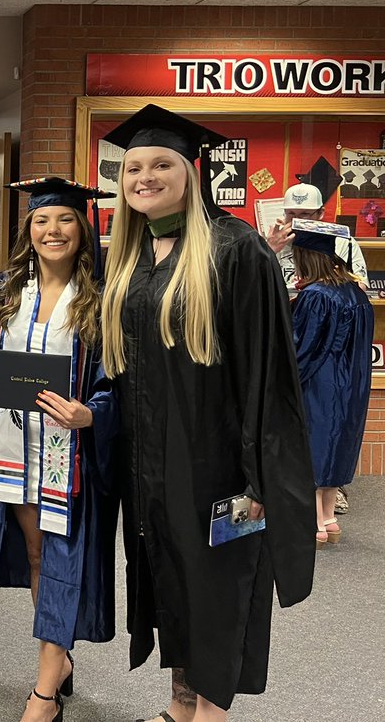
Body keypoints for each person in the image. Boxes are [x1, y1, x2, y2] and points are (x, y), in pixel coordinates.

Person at [99, 104, 314, 722]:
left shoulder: (236, 248)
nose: (145, 176)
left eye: (161, 164)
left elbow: (268, 370)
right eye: (134, 167)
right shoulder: (132, 255)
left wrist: (262, 474)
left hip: (219, 462)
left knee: (218, 583)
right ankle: (178, 706)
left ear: (190, 171)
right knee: (170, 577)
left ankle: (211, 716)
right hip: (152, 463)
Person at [0, 178, 119, 722]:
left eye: (63, 220)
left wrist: (92, 414)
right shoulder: (7, 291)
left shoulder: (102, 301)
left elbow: (116, 383)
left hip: (69, 455)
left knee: (60, 558)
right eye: (41, 220)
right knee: (37, 555)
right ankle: (60, 658)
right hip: (12, 445)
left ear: (83, 229)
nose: (51, 230)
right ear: (28, 229)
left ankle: (43, 691)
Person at [288, 220, 372, 548]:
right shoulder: (355, 292)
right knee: (338, 443)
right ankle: (328, 518)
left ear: (305, 258)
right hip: (353, 382)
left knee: (314, 442)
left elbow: (301, 347)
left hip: (320, 383)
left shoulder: (317, 296)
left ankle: (313, 524)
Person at [266, 182, 366, 295]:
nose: (296, 220)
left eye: (304, 214)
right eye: (291, 213)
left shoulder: (343, 241)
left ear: (320, 213)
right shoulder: (273, 241)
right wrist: (270, 249)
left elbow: (360, 288)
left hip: (321, 307)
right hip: (282, 309)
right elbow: (253, 283)